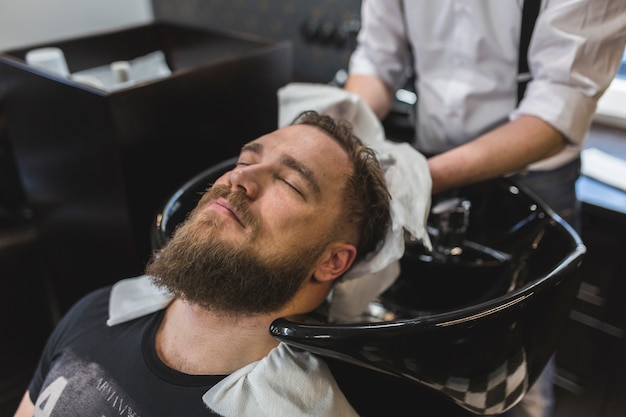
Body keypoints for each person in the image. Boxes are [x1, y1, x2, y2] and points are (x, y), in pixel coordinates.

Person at [342, 1, 626, 416]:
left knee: (519, 352)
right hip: (430, 154)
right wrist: (337, 142)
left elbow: (559, 105)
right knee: (436, 331)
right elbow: (379, 60)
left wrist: (419, 178)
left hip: (533, 173)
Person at [13, 111, 391, 417]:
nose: (240, 177)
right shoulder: (98, 312)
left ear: (332, 261)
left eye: (290, 183)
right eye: (245, 160)